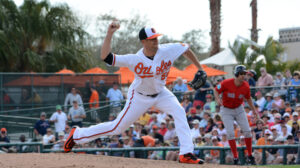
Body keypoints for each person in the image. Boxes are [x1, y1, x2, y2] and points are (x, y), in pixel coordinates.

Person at [64, 21, 206, 164]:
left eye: (156, 38)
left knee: (179, 111)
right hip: (139, 96)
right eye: (152, 39)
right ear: (143, 41)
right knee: (117, 128)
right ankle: (77, 135)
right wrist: (109, 34)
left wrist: (200, 69)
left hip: (162, 93)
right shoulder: (135, 59)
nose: (156, 41)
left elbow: (186, 49)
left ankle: (186, 153)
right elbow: (106, 57)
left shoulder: (167, 50)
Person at [213, 65, 259, 165]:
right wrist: (217, 99)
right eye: (241, 74)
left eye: (244, 74)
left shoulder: (246, 85)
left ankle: (250, 156)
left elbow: (249, 99)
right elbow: (216, 90)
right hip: (226, 109)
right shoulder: (226, 83)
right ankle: (235, 157)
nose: (243, 76)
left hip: (239, 108)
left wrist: (254, 111)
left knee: (247, 131)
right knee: (230, 134)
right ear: (237, 74)